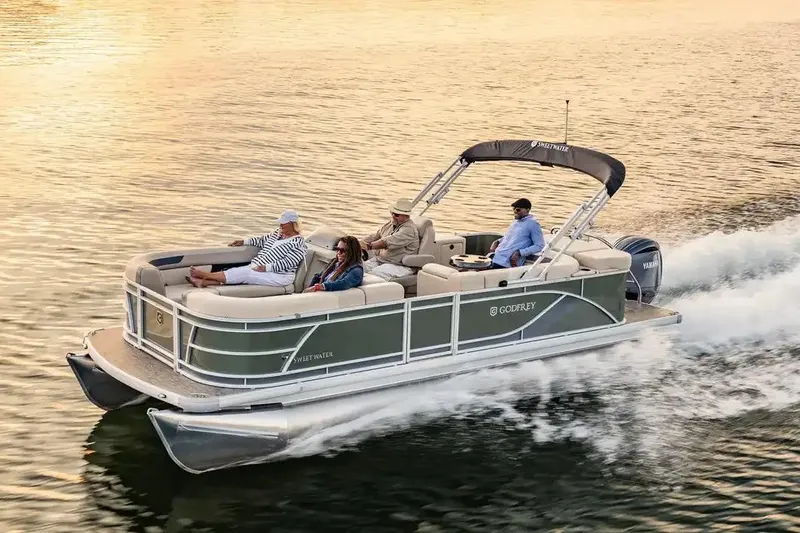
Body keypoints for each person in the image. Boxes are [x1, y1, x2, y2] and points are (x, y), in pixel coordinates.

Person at [187, 210, 308, 288]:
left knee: (246, 273)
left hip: (280, 275)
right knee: (239, 272)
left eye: (284, 223)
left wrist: (265, 268)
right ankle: (203, 282)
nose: (280, 225)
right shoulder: (277, 233)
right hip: (260, 266)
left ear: (293, 224)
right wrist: (243, 242)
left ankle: (205, 275)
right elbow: (261, 240)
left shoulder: (298, 243)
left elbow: (288, 263)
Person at [359, 198, 420, 280]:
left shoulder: (409, 229)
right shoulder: (391, 223)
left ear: (406, 216)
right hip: (380, 260)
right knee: (358, 269)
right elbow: (375, 236)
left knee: (371, 276)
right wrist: (358, 243)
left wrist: (368, 246)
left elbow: (386, 243)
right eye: (392, 213)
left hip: (399, 266)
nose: (393, 216)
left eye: (397, 215)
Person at [488, 198, 545, 268]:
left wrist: (520, 252)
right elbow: (511, 238)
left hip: (506, 263)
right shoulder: (516, 222)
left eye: (518, 209)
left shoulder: (533, 224)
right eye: (514, 209)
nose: (515, 211)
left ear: (527, 210)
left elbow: (539, 245)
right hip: (495, 258)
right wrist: (497, 242)